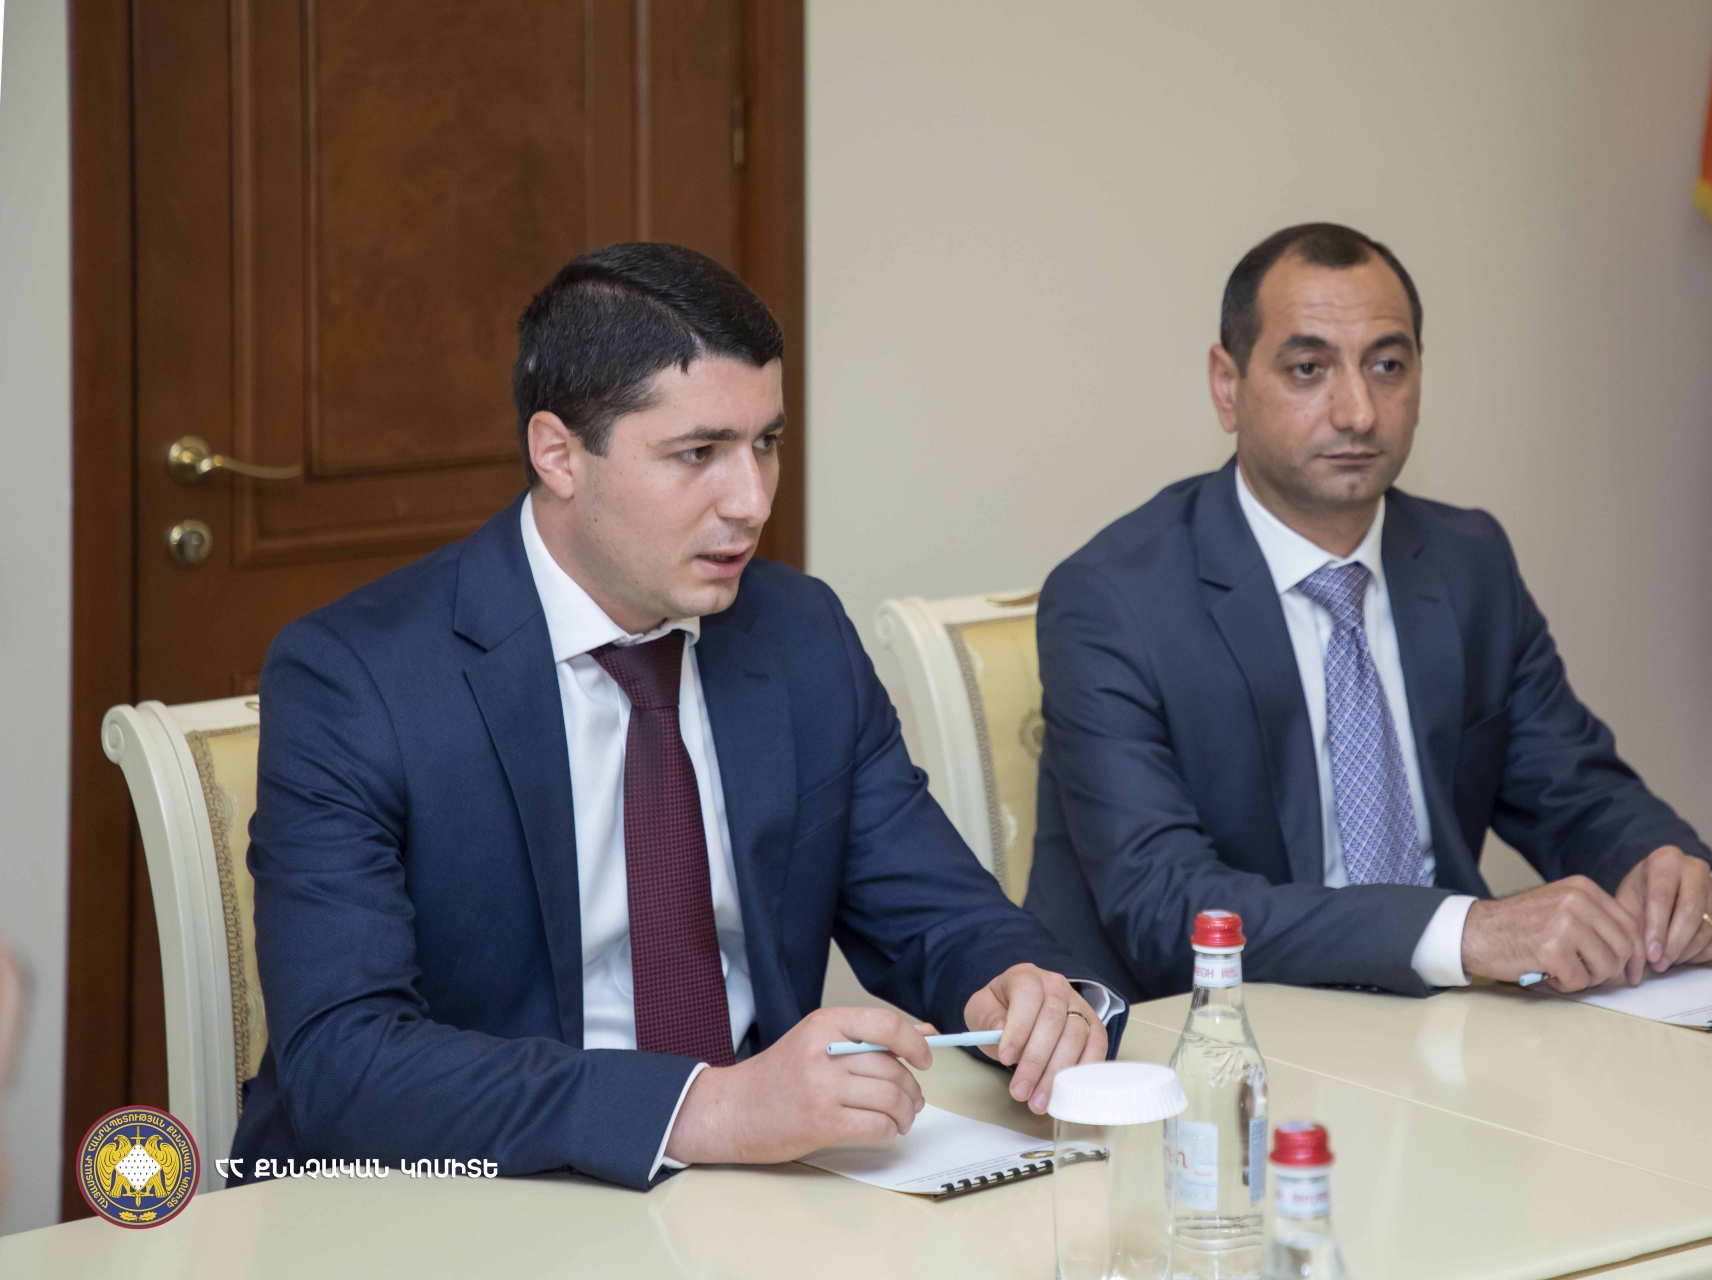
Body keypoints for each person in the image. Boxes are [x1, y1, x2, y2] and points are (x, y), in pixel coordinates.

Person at [233, 244, 1123, 1191]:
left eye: (766, 444)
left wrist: (1019, 987)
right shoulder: (356, 677)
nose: (752, 501)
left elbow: (936, 913)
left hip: (752, 1196)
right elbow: (345, 1061)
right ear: (558, 454)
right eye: (698, 454)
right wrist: (709, 1108)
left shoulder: (799, 635)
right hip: (457, 1199)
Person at [1025, 222, 1712, 1002]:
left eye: (1387, 366)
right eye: (1308, 369)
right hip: (1208, 1037)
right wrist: (1461, 932)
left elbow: (1577, 794)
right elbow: (1167, 908)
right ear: (1227, 386)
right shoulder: (1113, 601)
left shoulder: (1468, 562)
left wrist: (1670, 874)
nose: (1358, 412)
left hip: (1449, 1032)